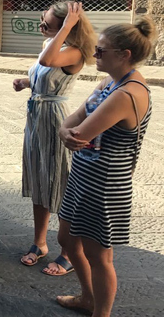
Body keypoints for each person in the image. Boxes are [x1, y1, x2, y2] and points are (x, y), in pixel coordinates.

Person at [54, 17, 156, 317]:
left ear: (124, 55)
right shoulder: (109, 82)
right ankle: (88, 298)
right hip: (84, 177)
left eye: (101, 51)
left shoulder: (126, 94)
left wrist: (68, 132)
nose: (94, 55)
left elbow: (80, 132)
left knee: (99, 256)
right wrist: (64, 131)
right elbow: (70, 122)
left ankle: (101, 312)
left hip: (106, 184)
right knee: (67, 241)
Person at [13, 1, 96, 276]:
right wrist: (26, 83)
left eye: (47, 20)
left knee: (59, 182)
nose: (42, 23)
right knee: (39, 178)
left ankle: (69, 252)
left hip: (55, 119)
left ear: (66, 26)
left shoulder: (73, 52)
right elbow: (44, 71)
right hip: (36, 117)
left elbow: (48, 63)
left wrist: (67, 28)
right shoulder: (52, 45)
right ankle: (39, 242)